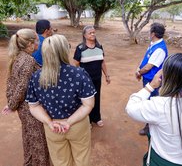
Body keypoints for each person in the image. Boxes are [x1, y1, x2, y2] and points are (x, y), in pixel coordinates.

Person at [126, 53, 182, 166]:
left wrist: (150, 86)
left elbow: (131, 107)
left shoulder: (160, 106)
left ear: (167, 78)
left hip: (163, 162)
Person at [26, 34, 96, 166]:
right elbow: (88, 105)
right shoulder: (79, 74)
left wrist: (50, 122)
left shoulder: (36, 77)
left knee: (60, 162)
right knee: (82, 160)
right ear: (64, 50)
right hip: (77, 125)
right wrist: (68, 122)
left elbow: (33, 107)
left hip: (53, 128)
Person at [1, 28, 50, 166]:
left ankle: (29, 163)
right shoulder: (28, 60)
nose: (38, 43)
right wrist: (11, 105)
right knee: (38, 141)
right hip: (30, 108)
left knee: (29, 138)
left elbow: (11, 83)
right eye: (36, 40)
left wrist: (11, 103)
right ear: (30, 44)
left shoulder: (17, 57)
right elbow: (22, 86)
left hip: (23, 108)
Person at [73, 25, 110, 127]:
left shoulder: (99, 47)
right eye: (90, 33)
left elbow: (102, 62)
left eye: (94, 32)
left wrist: (107, 75)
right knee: (86, 100)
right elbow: (75, 64)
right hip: (85, 80)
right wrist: (79, 77)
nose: (93, 34)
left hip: (97, 78)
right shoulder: (80, 48)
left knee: (96, 98)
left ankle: (97, 118)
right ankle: (87, 120)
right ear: (84, 35)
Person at [135, 22, 168, 135]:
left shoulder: (160, 49)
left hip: (153, 81)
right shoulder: (153, 44)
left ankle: (150, 127)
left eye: (150, 31)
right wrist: (139, 68)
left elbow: (149, 66)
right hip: (148, 79)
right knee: (149, 100)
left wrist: (139, 72)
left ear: (153, 33)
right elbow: (146, 58)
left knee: (152, 102)